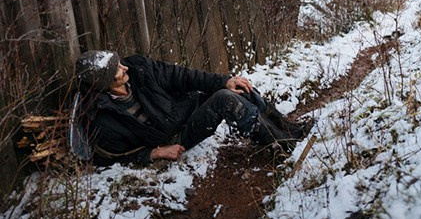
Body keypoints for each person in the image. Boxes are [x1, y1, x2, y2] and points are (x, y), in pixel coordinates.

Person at [73, 50, 312, 165]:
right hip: (175, 136)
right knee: (224, 100)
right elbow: (110, 158)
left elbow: (181, 76)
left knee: (238, 87)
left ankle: (288, 128)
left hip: (184, 109)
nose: (124, 68)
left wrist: (223, 80)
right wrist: (154, 153)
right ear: (103, 83)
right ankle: (281, 144)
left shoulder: (139, 69)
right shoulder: (101, 117)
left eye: (120, 63)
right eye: (117, 69)